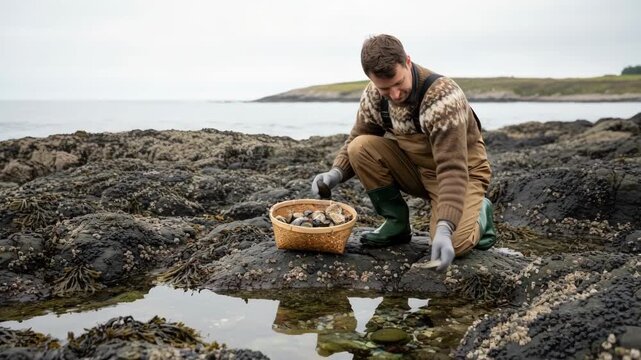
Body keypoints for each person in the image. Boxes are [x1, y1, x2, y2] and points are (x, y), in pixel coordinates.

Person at [311, 34, 496, 271]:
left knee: (455, 246)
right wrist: (336, 172)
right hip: (417, 169)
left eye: (399, 83)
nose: (395, 94)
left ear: (407, 61)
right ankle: (396, 223)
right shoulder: (374, 95)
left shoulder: (442, 98)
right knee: (361, 146)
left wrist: (445, 227)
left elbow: (452, 168)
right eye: (385, 88)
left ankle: (481, 211)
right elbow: (358, 137)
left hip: (461, 174)